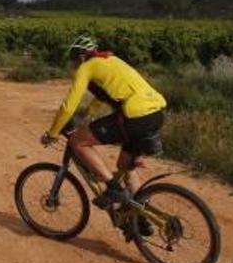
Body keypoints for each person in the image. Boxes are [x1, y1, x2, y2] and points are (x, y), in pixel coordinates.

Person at [41, 35, 167, 211]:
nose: (74, 65)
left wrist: (52, 133)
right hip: (155, 115)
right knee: (125, 167)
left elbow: (69, 106)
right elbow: (103, 97)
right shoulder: (111, 60)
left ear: (81, 57)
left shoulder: (86, 67)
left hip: (134, 117)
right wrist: (87, 115)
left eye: (73, 61)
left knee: (78, 140)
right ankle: (141, 217)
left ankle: (113, 189)